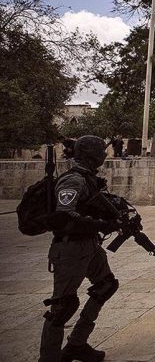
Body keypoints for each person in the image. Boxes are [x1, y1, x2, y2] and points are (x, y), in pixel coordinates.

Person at [39, 135, 120, 362]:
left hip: (89, 245)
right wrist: (101, 224)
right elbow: (64, 214)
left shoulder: (89, 178)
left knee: (106, 285)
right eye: (101, 152)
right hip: (70, 248)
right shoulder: (73, 180)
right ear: (92, 155)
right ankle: (49, 357)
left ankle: (77, 343)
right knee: (62, 306)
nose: (104, 155)